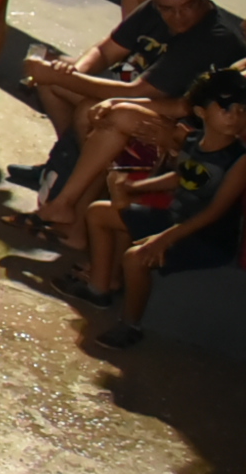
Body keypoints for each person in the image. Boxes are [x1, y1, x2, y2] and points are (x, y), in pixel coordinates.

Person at [18, 0, 246, 229]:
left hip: (183, 127)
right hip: (147, 100)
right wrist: (73, 71)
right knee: (53, 82)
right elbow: (105, 51)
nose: (178, 17)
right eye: (167, 9)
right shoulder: (153, 10)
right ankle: (67, 164)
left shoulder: (213, 38)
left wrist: (63, 77)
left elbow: (144, 94)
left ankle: (66, 201)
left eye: (188, 6)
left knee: (96, 111)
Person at [61, 65, 246, 343]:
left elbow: (214, 212)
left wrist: (162, 240)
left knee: (135, 258)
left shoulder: (239, 159)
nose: (235, 117)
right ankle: (98, 289)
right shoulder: (193, 141)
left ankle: (131, 325)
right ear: (201, 112)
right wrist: (132, 187)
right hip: (175, 219)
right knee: (98, 213)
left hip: (206, 238)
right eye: (226, 109)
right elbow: (182, 176)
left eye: (241, 110)